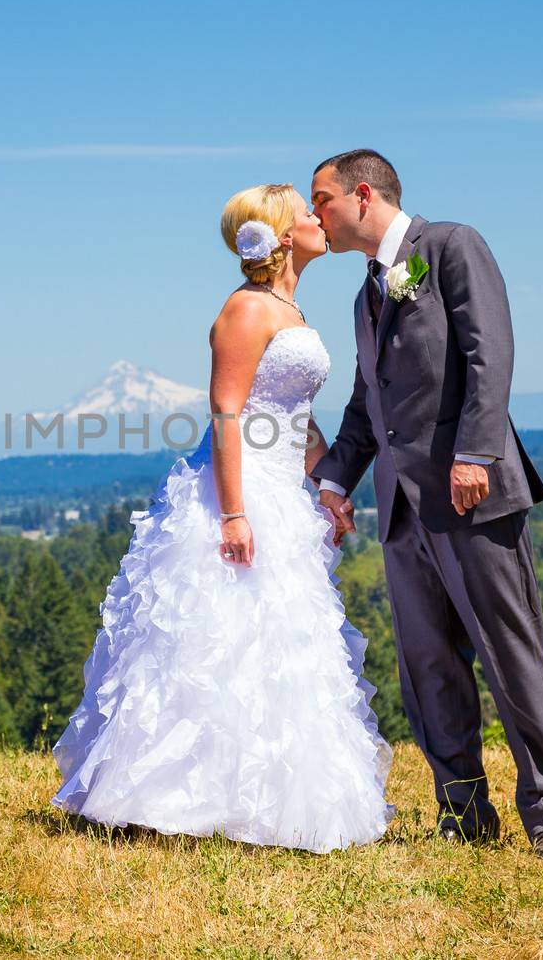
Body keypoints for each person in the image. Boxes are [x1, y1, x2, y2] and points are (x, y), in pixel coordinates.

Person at [50, 183, 393, 853]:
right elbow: (229, 413)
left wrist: (326, 489)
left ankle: (266, 801)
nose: (316, 216)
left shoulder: (289, 307)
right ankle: (172, 797)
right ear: (279, 232)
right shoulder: (244, 308)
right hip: (235, 492)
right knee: (213, 643)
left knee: (279, 647)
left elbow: (294, 420)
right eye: (304, 208)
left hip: (284, 490)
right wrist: (233, 513)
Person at [310, 149, 543, 859]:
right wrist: (335, 479)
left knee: (510, 657)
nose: (315, 219)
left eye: (322, 202)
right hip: (401, 511)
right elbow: (368, 403)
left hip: (473, 496)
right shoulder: (366, 293)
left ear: (362, 195)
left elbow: (492, 354)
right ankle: (462, 812)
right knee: (428, 667)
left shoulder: (453, 246)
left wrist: (475, 453)